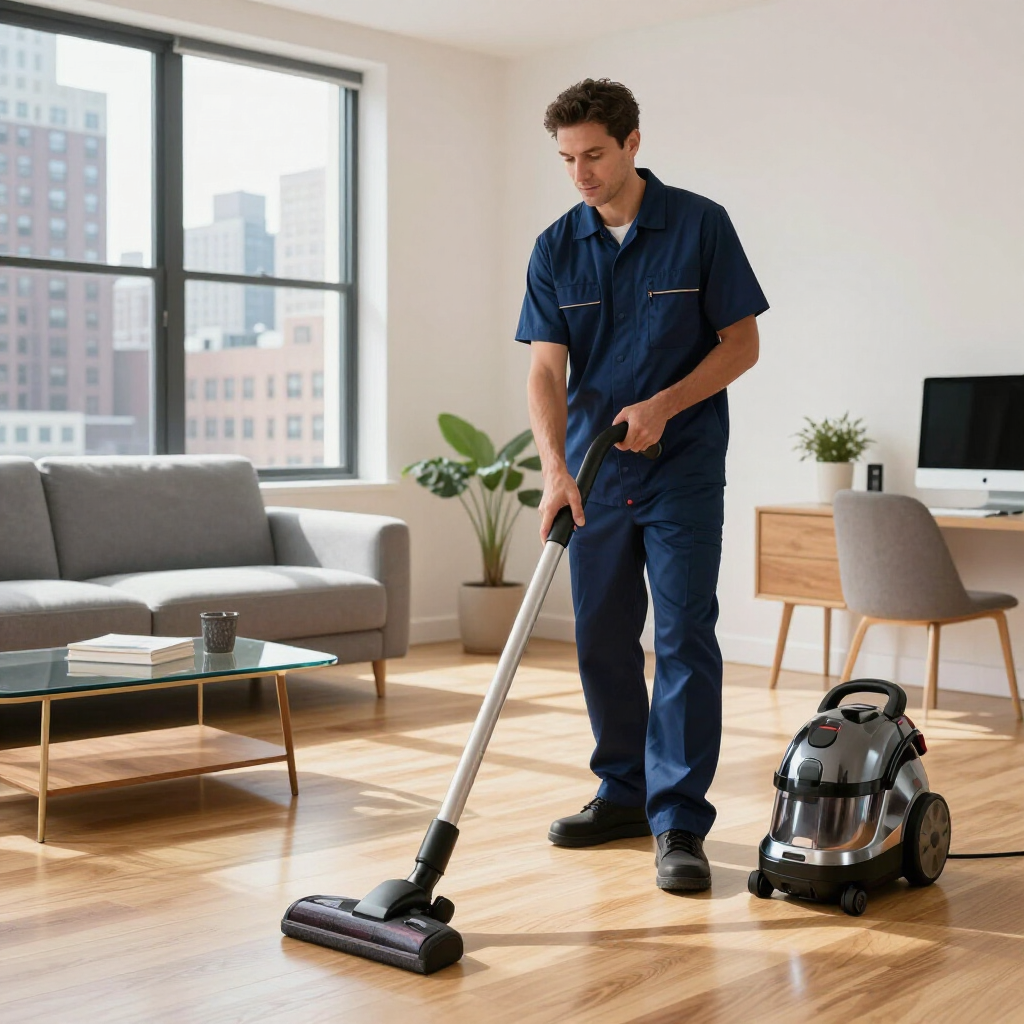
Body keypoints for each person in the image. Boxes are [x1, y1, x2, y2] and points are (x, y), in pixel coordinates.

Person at [516, 78, 768, 891]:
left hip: (683, 469)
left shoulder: (700, 225)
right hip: (592, 472)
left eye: (593, 154)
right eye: (566, 159)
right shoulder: (557, 247)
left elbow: (741, 346)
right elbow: (546, 372)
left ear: (631, 143)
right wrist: (554, 468)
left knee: (683, 636)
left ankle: (679, 822)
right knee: (599, 637)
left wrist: (665, 403)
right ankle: (622, 792)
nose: (581, 174)